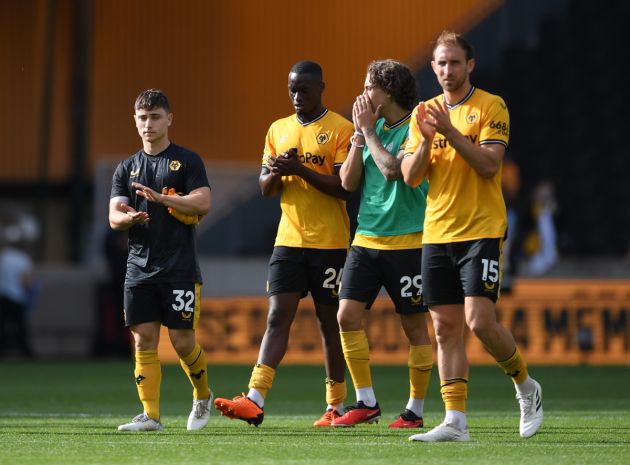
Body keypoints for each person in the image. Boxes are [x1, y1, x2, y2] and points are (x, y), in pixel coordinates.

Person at [401, 30, 543, 442]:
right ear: (433, 68)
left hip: (481, 230)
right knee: (445, 329)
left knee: (479, 322)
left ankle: (525, 386)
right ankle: (455, 421)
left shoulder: (490, 106)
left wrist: (450, 130)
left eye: (455, 62)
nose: (448, 70)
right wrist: (427, 140)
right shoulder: (422, 113)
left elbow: (488, 165)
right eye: (441, 63)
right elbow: (410, 177)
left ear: (470, 65)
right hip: (437, 232)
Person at [213, 61, 353, 427]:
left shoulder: (340, 129)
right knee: (277, 316)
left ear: (321, 87)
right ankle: (254, 398)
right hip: (288, 241)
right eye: (292, 89)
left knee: (329, 323)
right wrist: (276, 171)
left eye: (304, 89)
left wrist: (300, 170)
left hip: (329, 243)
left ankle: (336, 405)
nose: (297, 96)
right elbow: (264, 188)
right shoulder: (278, 129)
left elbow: (342, 187)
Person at [330, 60, 433, 429]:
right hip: (366, 237)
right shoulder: (369, 129)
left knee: (414, 327)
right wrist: (360, 137)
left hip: (410, 241)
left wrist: (369, 132)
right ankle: (366, 402)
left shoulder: (415, 126)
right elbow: (347, 182)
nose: (362, 95)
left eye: (368, 87)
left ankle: (415, 410)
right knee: (345, 316)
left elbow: (393, 171)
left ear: (387, 91)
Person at [109, 89, 213, 432]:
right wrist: (130, 219)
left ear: (169, 119)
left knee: (183, 342)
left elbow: (202, 203)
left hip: (179, 266)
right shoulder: (126, 168)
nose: (148, 124)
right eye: (142, 118)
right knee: (144, 340)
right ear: (135, 122)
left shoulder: (187, 161)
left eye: (155, 117)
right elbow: (113, 217)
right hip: (139, 267)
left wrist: (165, 200)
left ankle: (202, 395)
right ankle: (150, 415)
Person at [0, 233, 35, 358]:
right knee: (21, 328)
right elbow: (26, 281)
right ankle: (26, 353)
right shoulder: (22, 258)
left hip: (3, 297)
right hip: (17, 297)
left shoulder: (3, 257)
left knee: (2, 327)